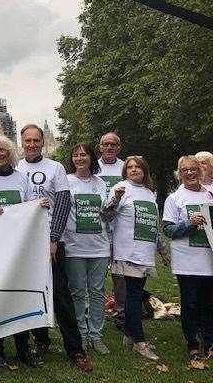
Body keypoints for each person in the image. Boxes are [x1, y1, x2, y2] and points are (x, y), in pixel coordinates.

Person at [16, 124, 92, 372]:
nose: (32, 144)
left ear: (42, 142)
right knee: (30, 293)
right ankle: (39, 340)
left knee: (61, 295)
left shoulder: (55, 167)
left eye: (36, 140)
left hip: (51, 240)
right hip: (23, 242)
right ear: (22, 141)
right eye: (28, 140)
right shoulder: (16, 168)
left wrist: (53, 238)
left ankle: (75, 350)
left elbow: (63, 203)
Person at [0, 134, 45, 369]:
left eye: (2, 150)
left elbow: (30, 209)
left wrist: (40, 206)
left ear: (10, 153)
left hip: (19, 249)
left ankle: (23, 349)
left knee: (20, 298)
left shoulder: (22, 179)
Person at [104, 156, 159, 360]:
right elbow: (107, 214)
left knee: (135, 294)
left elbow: (152, 223)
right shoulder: (121, 188)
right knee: (134, 295)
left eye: (138, 167)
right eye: (130, 167)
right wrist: (116, 198)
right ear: (125, 171)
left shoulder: (148, 192)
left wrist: (161, 249)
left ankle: (129, 334)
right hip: (128, 252)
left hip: (145, 251)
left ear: (145, 170)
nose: (134, 170)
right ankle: (139, 341)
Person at [162, 155, 213, 360]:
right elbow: (168, 229)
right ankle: (192, 343)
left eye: (193, 169)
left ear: (200, 172)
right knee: (190, 304)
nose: (190, 173)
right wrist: (189, 224)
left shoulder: (210, 196)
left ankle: (209, 341)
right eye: (185, 170)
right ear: (179, 174)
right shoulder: (175, 198)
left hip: (209, 260)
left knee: (209, 304)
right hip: (187, 262)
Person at [63, 143, 111, 354]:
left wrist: (115, 202)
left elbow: (107, 214)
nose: (80, 158)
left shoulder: (101, 183)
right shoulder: (65, 180)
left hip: (99, 247)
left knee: (98, 292)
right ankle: (81, 334)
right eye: (76, 155)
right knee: (77, 293)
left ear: (91, 158)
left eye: (83, 154)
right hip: (74, 246)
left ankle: (96, 336)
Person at [97, 132, 127, 325]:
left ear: (119, 147)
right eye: (105, 144)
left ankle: (121, 312)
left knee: (120, 275)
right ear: (100, 147)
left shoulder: (126, 167)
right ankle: (96, 312)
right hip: (97, 228)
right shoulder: (93, 167)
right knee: (97, 275)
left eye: (113, 145)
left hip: (120, 229)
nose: (109, 147)